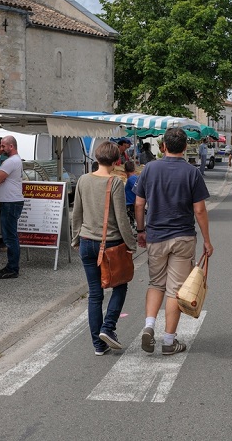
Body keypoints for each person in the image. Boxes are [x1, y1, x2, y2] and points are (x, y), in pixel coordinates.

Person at [135, 127, 213, 355]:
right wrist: (207, 240)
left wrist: (141, 230)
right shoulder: (192, 173)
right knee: (175, 289)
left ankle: (149, 326)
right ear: (185, 147)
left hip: (156, 236)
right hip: (182, 236)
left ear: (163, 146)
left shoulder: (150, 169)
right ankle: (169, 341)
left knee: (156, 283)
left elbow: (139, 204)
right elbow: (199, 210)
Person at [71, 141, 137, 356]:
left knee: (95, 294)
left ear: (97, 158)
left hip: (86, 241)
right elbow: (121, 218)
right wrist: (131, 244)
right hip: (110, 243)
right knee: (120, 285)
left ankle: (98, 345)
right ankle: (108, 328)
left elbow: (77, 213)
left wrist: (75, 238)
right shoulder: (115, 182)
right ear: (116, 161)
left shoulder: (83, 180)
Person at [0, 135, 24, 279]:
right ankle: (11, 266)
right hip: (11, 201)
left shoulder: (10, 161)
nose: (1, 148)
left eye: (3, 145)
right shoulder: (15, 160)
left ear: (11, 146)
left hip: (10, 202)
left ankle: (12, 268)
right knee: (11, 236)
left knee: (10, 237)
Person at [124, 160, 138, 229]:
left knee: (131, 225)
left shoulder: (131, 179)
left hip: (130, 205)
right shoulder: (134, 178)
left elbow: (138, 191)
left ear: (125, 170)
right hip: (131, 205)